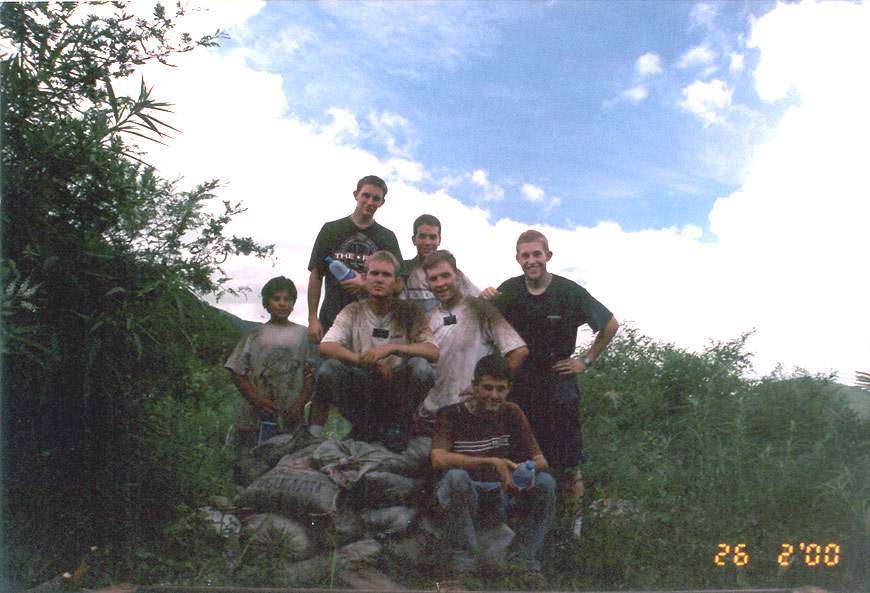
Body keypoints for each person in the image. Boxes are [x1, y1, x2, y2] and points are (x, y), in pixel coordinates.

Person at [482, 229, 620, 529]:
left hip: (559, 381)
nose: (532, 261)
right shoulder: (510, 290)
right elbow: (482, 321)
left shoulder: (568, 291)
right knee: (520, 456)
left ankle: (574, 528)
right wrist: (484, 298)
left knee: (568, 460)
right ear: (517, 259)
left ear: (548, 256)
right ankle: (519, 522)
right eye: (525, 255)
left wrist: (585, 361)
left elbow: (610, 324)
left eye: (537, 254)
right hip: (520, 382)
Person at [431, 354, 555, 589]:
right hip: (467, 496)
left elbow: (541, 461)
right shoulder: (452, 414)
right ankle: (462, 566)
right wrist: (491, 462)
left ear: (509, 389)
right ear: (474, 386)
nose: (494, 395)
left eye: (501, 389)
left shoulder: (511, 412)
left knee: (545, 482)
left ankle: (523, 564)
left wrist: (522, 469)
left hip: (502, 494)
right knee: (455, 477)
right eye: (487, 388)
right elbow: (438, 458)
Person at [311, 250, 439, 451]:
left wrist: (392, 348)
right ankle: (362, 425)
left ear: (397, 282)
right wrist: (364, 361)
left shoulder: (410, 312)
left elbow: (433, 352)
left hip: (396, 387)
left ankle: (398, 425)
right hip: (363, 387)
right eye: (374, 273)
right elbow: (326, 346)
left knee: (421, 367)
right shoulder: (352, 310)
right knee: (329, 368)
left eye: (386, 275)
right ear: (364, 278)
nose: (379, 279)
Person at [418, 249, 527, 421]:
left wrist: (487, 391)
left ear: (457, 275)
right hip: (435, 416)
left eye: (445, 276)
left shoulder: (481, 309)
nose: (440, 283)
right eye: (433, 279)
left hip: (473, 415)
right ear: (427, 282)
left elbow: (518, 351)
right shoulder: (427, 319)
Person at [225, 276, 314, 484]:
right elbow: (235, 371)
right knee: (250, 465)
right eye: (276, 298)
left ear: (294, 303)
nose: (282, 303)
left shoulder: (303, 335)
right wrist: (256, 400)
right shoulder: (255, 335)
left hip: (290, 414)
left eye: (287, 299)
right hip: (255, 415)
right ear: (266, 303)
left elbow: (310, 373)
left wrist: (300, 404)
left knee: (287, 465)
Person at [307, 175, 405, 343]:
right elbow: (316, 276)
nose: (370, 202)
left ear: (382, 203)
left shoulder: (387, 237)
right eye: (366, 195)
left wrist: (366, 284)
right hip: (331, 319)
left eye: (376, 198)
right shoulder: (331, 230)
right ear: (356, 195)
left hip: (372, 324)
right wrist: (312, 319)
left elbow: (399, 285)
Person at [403, 214, 480, 312]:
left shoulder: (455, 275)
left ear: (439, 240)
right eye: (422, 237)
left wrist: (490, 294)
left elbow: (478, 301)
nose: (427, 242)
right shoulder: (404, 271)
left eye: (432, 237)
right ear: (414, 240)